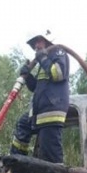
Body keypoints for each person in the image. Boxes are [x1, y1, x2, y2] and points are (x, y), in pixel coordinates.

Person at [9, 31, 70, 164]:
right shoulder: (45, 61)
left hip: (51, 113)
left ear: (47, 39)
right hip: (39, 113)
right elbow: (36, 87)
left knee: (50, 157)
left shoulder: (58, 52)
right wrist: (27, 75)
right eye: (33, 43)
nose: (35, 46)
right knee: (23, 124)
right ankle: (19, 163)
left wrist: (42, 59)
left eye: (38, 41)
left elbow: (58, 74)